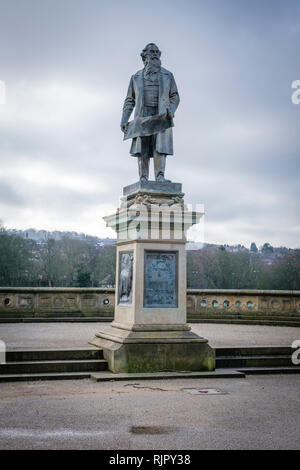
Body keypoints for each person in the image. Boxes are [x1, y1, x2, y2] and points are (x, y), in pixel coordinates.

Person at [121, 43, 180, 182]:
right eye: (151, 52)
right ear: (144, 56)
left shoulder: (168, 75)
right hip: (142, 114)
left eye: (156, 52)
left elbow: (175, 96)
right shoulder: (135, 77)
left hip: (161, 114)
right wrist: (124, 119)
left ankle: (160, 176)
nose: (154, 55)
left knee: (160, 146)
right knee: (143, 146)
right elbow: (130, 100)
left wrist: (171, 110)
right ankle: (143, 177)